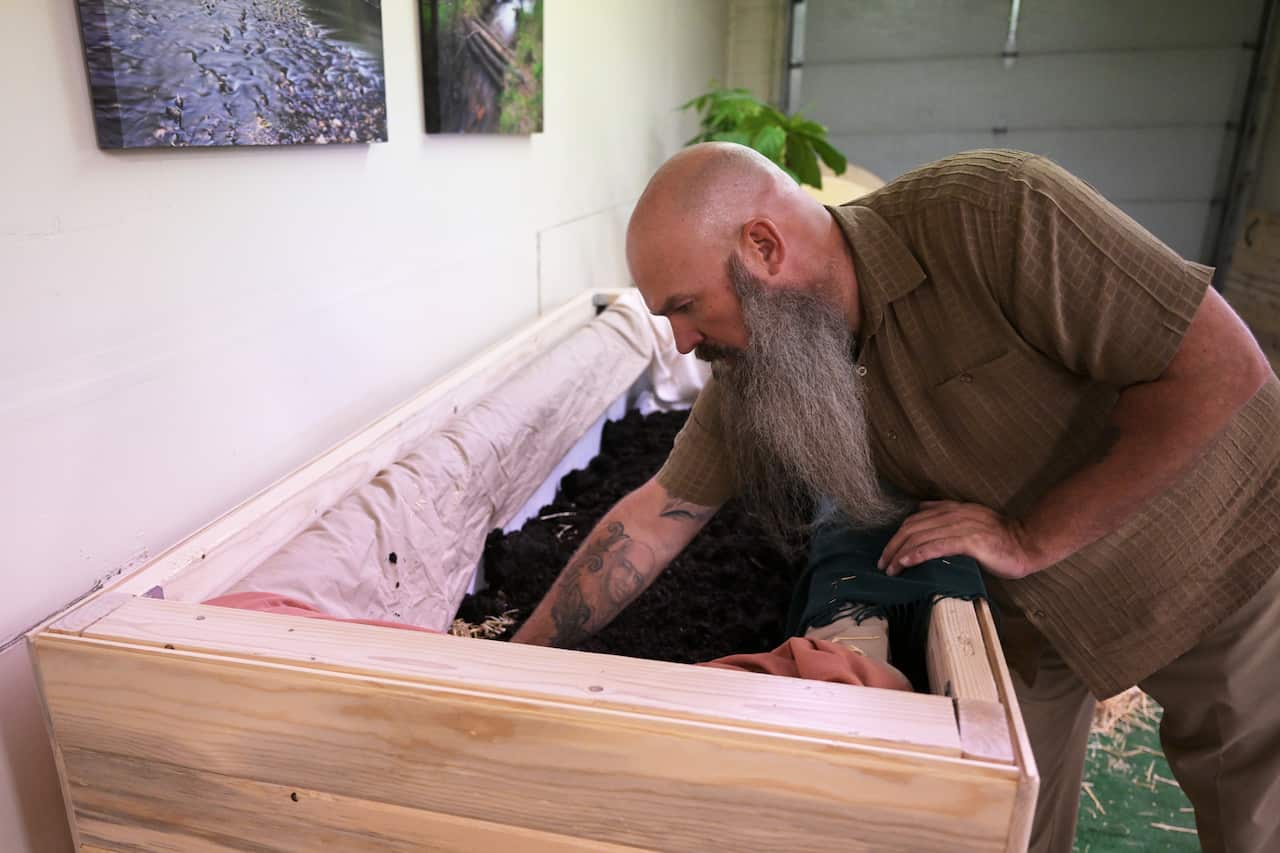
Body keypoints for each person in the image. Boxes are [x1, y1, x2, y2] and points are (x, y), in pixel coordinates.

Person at [511, 143, 1280, 853]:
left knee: (1250, 810)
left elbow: (1223, 369)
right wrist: (520, 664)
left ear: (763, 248)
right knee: (1001, 818)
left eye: (685, 306)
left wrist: (1028, 537)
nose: (680, 342)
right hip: (1039, 606)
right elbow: (659, 513)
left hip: (1212, 547)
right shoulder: (754, 364)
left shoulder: (995, 211)